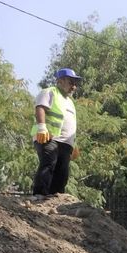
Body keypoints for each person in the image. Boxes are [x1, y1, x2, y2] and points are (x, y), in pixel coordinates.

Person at [31, 68, 82, 196]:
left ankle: (55, 198)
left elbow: (70, 124)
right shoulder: (50, 92)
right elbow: (40, 107)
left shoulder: (70, 102)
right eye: (71, 82)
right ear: (60, 81)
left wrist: (73, 144)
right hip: (48, 137)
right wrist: (42, 127)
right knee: (48, 164)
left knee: (62, 172)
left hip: (65, 143)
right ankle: (39, 195)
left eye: (76, 84)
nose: (74, 87)